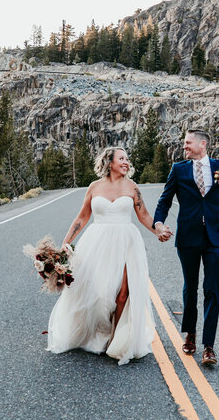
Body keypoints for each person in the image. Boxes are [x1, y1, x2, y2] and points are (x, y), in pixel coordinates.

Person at [47, 147, 159, 365]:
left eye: (127, 159)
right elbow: (82, 217)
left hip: (127, 242)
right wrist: (65, 243)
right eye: (122, 159)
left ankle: (116, 339)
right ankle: (99, 333)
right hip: (97, 243)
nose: (126, 162)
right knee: (99, 294)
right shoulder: (94, 187)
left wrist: (158, 230)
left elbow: (143, 214)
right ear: (110, 163)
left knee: (122, 295)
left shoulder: (132, 187)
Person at [153, 129, 219, 366]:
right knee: (190, 288)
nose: (185, 147)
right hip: (188, 237)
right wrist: (159, 223)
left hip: (216, 237)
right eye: (184, 143)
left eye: (188, 143)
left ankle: (209, 346)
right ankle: (190, 333)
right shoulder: (178, 170)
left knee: (212, 290)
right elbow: (165, 200)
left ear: (203, 144)